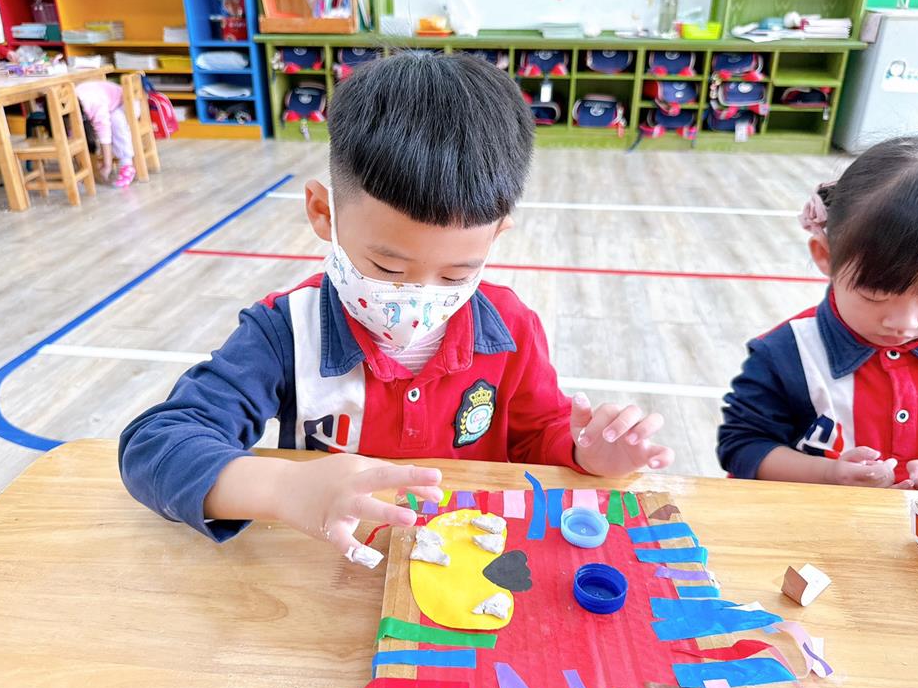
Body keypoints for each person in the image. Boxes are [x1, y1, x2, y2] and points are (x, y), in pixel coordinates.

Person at [119, 52, 674, 566]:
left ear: (497, 236)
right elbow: (156, 445)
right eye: (387, 268)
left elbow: (536, 437)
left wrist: (584, 453)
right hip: (331, 567)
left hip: (467, 564)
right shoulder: (286, 332)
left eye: (456, 274)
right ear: (323, 213)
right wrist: (285, 488)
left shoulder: (510, 328)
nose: (420, 298)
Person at [718, 137, 918, 492]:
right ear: (825, 255)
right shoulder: (787, 354)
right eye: (875, 294)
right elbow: (742, 447)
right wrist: (829, 475)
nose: (904, 323)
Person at [74, 80, 136, 188]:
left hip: (127, 102)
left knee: (116, 120)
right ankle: (89, 168)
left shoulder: (94, 103)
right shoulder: (73, 108)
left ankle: (127, 164)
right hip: (105, 103)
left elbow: (104, 134)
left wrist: (107, 165)